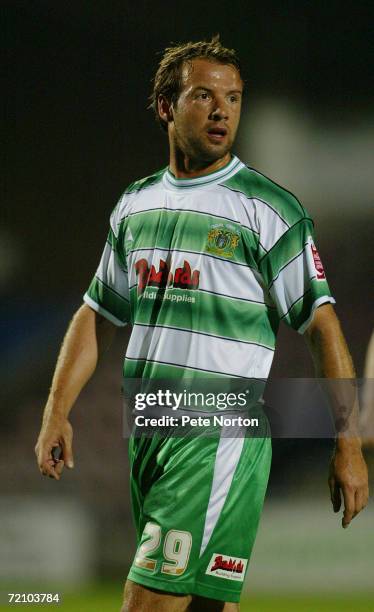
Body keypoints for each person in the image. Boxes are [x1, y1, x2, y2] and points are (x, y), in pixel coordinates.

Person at [35, 36, 369, 612]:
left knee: (148, 603)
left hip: (217, 429)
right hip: (149, 427)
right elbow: (96, 313)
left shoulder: (269, 209)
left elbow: (321, 325)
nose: (222, 111)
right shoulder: (135, 206)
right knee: (207, 606)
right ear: (166, 106)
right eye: (204, 96)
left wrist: (348, 442)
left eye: (234, 99)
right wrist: (55, 411)